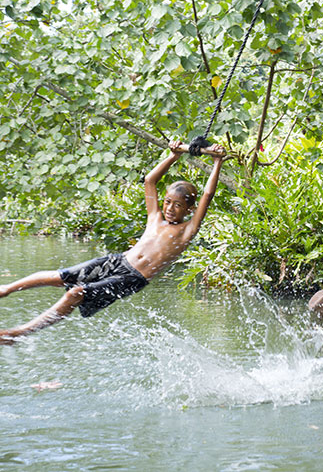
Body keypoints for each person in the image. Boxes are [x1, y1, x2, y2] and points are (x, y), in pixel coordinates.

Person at [0, 140, 225, 344]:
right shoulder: (155, 217)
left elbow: (207, 195)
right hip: (116, 261)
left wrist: (217, 162)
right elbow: (150, 180)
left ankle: (19, 333)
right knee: (60, 277)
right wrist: (173, 155)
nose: (169, 208)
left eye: (177, 205)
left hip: (132, 277)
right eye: (167, 202)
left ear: (189, 209)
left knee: (75, 294)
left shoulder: (187, 230)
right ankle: (7, 289)